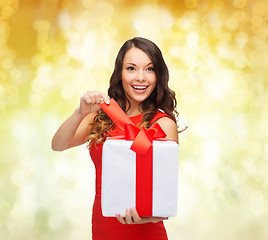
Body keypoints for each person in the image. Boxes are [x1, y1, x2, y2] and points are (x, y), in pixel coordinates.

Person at [52, 37, 180, 240]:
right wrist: (80, 112)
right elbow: (58, 145)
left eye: (149, 69)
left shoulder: (163, 124)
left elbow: (164, 193)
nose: (141, 77)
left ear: (158, 75)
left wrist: (150, 217)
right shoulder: (101, 115)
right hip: (104, 229)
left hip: (147, 233)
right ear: (120, 73)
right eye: (131, 68)